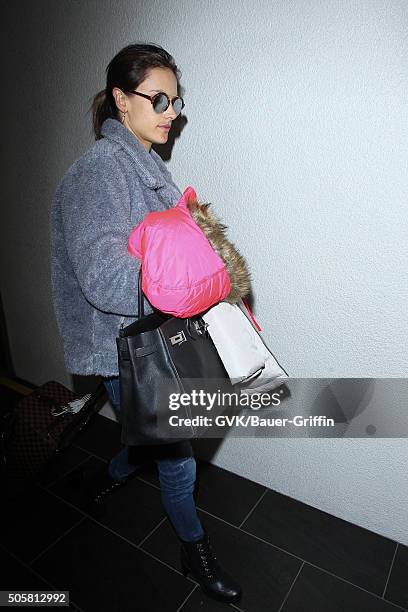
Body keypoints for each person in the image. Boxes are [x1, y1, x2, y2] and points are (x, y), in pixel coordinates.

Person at [50, 42, 242, 604]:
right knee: (177, 457)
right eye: (158, 99)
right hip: (120, 346)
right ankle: (194, 549)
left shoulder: (144, 167)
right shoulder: (99, 172)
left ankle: (101, 478)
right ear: (120, 99)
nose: (171, 113)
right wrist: (188, 272)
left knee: (148, 444)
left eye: (176, 101)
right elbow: (106, 280)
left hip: (150, 338)